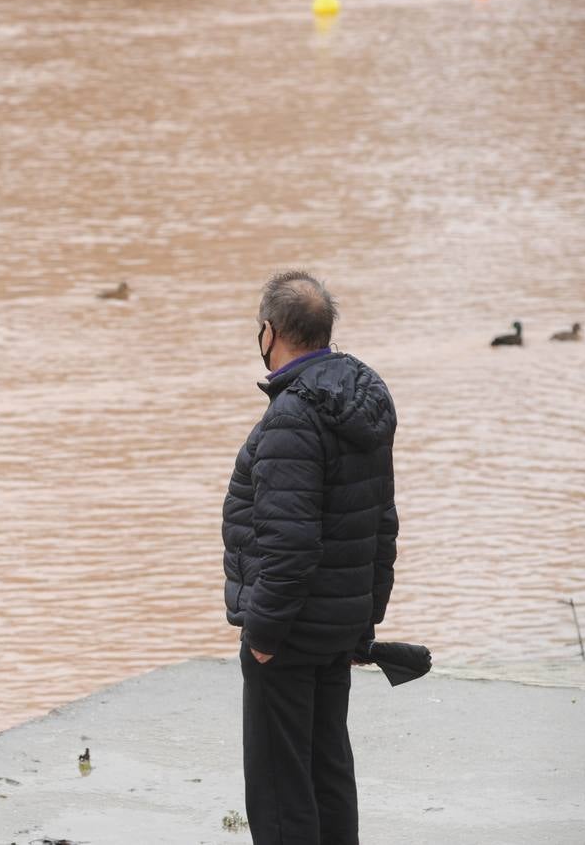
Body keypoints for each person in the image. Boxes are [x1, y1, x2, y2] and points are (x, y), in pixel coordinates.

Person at [222, 270, 398, 845]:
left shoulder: (292, 418)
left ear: (269, 332)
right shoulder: (362, 400)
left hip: (290, 634)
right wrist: (363, 619)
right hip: (337, 625)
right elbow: (382, 524)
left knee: (280, 790)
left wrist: (264, 636)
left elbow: (291, 545)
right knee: (328, 772)